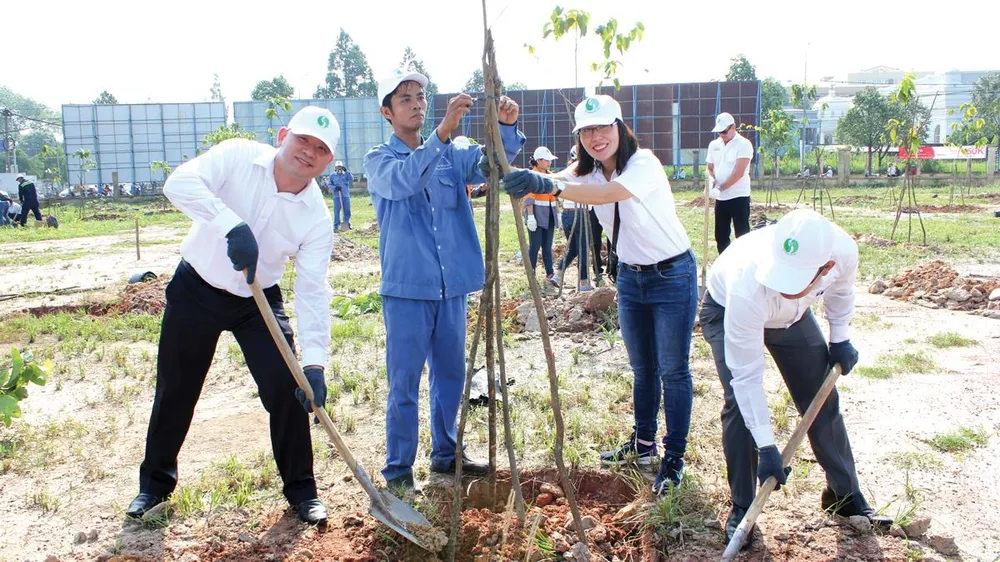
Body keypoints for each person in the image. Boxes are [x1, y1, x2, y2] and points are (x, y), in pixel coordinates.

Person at [125, 106, 339, 526]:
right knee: (176, 387)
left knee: (289, 386)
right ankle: (153, 487)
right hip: (197, 287)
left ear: (328, 161)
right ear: (283, 135)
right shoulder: (238, 156)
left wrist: (314, 363)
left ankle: (302, 491)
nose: (308, 152)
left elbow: (314, 290)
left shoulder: (316, 217)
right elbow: (178, 183)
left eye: (320, 149)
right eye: (302, 140)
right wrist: (230, 224)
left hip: (256, 302)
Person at [502, 95, 697, 496]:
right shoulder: (587, 172)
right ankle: (643, 445)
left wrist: (550, 186)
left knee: (673, 369)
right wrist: (522, 178)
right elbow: (559, 179)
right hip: (630, 278)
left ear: (620, 128)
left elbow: (608, 195)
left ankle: (673, 457)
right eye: (587, 130)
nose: (596, 137)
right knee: (642, 368)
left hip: (672, 275)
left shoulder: (642, 164)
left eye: (603, 128)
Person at [364, 68, 525, 495]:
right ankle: (398, 469)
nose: (416, 103)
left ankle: (446, 453)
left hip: (451, 287)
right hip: (408, 289)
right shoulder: (380, 161)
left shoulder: (454, 153)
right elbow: (405, 182)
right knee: (403, 381)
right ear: (387, 111)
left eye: (421, 96)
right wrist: (441, 134)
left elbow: (492, 164)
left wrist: (505, 128)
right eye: (405, 98)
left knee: (451, 375)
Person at [699, 209, 893, 545]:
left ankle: (844, 497)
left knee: (821, 395)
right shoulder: (749, 282)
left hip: (791, 318)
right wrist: (767, 445)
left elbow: (841, 292)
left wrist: (840, 339)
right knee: (738, 404)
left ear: (825, 267)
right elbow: (746, 378)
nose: (783, 284)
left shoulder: (842, 252)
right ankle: (743, 507)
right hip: (728, 309)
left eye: (794, 278)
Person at [706, 112, 754, 254]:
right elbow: (709, 168)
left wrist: (721, 188)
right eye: (719, 132)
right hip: (720, 198)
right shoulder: (714, 145)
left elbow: (739, 173)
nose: (722, 134)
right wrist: (711, 181)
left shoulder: (744, 144)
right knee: (721, 235)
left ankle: (745, 264)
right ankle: (724, 264)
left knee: (742, 234)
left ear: (733, 127)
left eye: (724, 131)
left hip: (738, 196)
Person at [553, 146, 592, 292]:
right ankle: (583, 283)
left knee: (574, 248)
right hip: (579, 213)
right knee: (582, 249)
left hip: (567, 214)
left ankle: (558, 273)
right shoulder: (585, 171)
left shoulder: (569, 170)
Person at [523, 146, 560, 285]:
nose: (549, 163)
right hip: (536, 215)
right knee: (535, 245)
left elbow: (554, 196)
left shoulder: (549, 176)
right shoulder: (532, 176)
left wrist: (557, 213)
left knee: (547, 245)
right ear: (538, 161)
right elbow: (529, 198)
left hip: (549, 215)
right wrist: (531, 216)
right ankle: (531, 273)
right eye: (546, 160)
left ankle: (550, 273)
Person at [329, 160, 353, 231]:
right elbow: (329, 185)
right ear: (335, 168)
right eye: (337, 167)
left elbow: (351, 178)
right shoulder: (332, 176)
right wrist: (335, 188)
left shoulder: (346, 174)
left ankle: (346, 224)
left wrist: (347, 171)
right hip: (337, 196)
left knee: (347, 210)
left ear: (342, 167)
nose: (339, 168)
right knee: (337, 211)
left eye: (340, 167)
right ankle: (336, 225)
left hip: (345, 195)